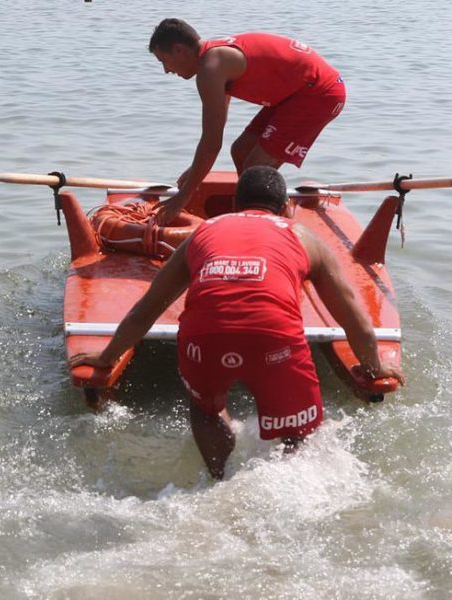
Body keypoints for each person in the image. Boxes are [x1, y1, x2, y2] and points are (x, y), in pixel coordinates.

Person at [70, 166, 404, 480]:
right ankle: (291, 484)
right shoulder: (304, 236)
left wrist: (107, 356)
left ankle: (218, 480)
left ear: (234, 204)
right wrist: (373, 367)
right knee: (297, 433)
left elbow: (146, 309)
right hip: (274, 336)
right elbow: (351, 315)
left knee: (207, 410)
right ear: (286, 207)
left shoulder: (202, 234)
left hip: (204, 335)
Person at [148, 18, 346, 224]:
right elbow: (217, 127)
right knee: (241, 151)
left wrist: (182, 197)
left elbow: (211, 143)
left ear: (179, 50)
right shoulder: (214, 59)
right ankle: (261, 219)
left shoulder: (211, 68)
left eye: (164, 61)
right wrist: (196, 170)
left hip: (319, 93)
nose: (166, 70)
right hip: (293, 94)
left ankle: (283, 231)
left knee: (256, 165)